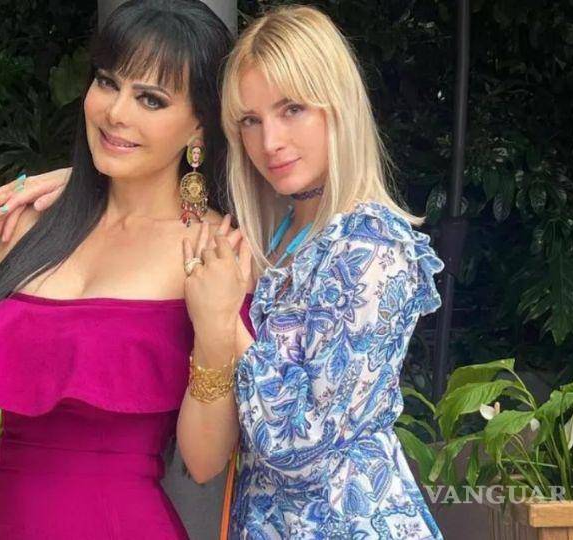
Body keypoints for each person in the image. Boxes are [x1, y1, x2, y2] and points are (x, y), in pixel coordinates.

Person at [0, 1, 238, 538]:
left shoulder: (210, 249)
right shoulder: (33, 224)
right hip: (6, 521)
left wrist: (215, 335)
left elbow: (204, 463)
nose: (116, 112)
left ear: (199, 125)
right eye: (108, 83)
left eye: (151, 99)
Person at [179, 6, 446, 539]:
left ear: (338, 106)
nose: (270, 141)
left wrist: (227, 321)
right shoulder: (279, 236)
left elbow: (301, 448)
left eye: (292, 109)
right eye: (250, 121)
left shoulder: (371, 247)